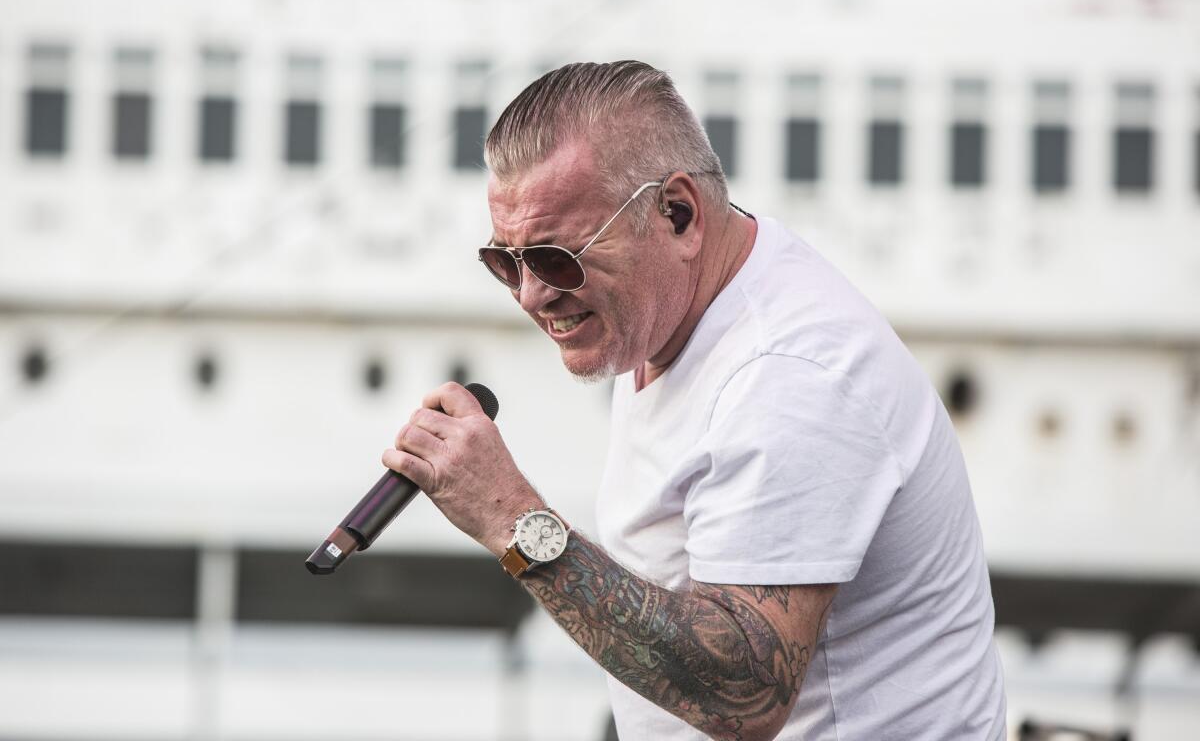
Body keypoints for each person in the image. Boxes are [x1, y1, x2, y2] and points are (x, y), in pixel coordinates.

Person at [383, 60, 1006, 740]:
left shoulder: (788, 379)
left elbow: (745, 695)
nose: (532, 295)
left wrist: (512, 519)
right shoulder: (669, 309)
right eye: (506, 262)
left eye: (557, 259)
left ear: (678, 215)